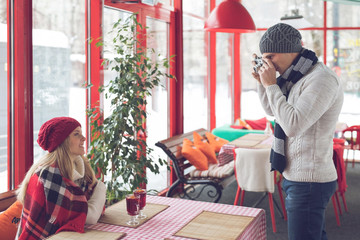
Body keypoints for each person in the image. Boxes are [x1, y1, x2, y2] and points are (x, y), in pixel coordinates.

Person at [252, 23, 343, 240]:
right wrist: (263, 84)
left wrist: (272, 85)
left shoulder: (321, 79)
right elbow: (272, 110)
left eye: (271, 57)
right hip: (297, 176)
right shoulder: (296, 76)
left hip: (310, 179)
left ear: (289, 50)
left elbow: (292, 125)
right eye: (264, 59)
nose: (268, 64)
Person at [16, 117, 106, 240]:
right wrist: (101, 187)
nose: (84, 138)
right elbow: (90, 216)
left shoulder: (78, 170)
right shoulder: (49, 174)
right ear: (63, 142)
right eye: (76, 134)